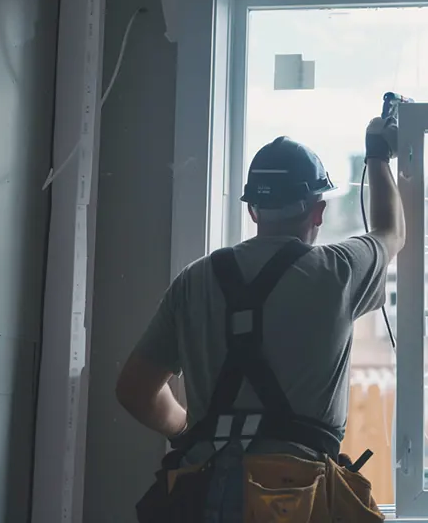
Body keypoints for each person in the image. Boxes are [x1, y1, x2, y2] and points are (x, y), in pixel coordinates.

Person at [115, 119, 404, 521]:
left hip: (200, 489)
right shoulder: (337, 271)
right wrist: (377, 153)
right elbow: (391, 234)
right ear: (317, 212)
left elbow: (134, 389)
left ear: (253, 210)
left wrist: (189, 432)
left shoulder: (194, 280)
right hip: (295, 495)